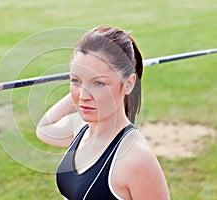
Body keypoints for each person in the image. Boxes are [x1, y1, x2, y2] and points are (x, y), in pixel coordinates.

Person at [36, 26, 170, 200]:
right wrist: (83, 85)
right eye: (74, 80)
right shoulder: (81, 127)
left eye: (99, 83)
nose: (84, 96)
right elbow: (44, 129)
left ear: (129, 84)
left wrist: (83, 83)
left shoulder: (135, 158)